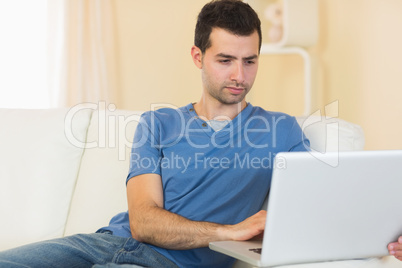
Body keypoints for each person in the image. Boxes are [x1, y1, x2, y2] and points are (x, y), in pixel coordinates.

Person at [0, 0, 401, 267]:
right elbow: (143, 221)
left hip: (167, 263)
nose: (239, 76)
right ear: (198, 57)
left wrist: (389, 232)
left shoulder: (282, 130)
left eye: (249, 61)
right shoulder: (157, 124)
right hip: (104, 241)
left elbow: (325, 207)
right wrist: (229, 232)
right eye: (225, 60)